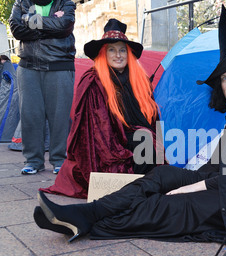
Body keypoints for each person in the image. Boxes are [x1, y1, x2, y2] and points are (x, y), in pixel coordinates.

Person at [33, 6, 226, 243]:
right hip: (218, 180)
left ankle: (88, 222)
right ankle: (89, 211)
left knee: (165, 204)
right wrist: (186, 178)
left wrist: (189, 188)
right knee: (162, 175)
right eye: (224, 78)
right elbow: (223, 165)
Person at [39, 19, 163, 199]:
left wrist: (158, 151)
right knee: (143, 140)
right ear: (103, 54)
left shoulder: (141, 81)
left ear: (128, 54)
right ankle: (132, 191)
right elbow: (94, 129)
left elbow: (154, 119)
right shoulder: (93, 80)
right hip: (105, 143)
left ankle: (144, 186)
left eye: (122, 50)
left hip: (138, 137)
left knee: (147, 141)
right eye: (111, 50)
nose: (118, 55)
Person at [9, 0, 76, 175]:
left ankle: (59, 160)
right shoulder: (21, 3)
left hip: (59, 65)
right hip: (28, 66)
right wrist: (50, 24)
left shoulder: (66, 3)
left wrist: (30, 21)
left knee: (59, 116)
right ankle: (33, 161)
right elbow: (16, 30)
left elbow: (65, 26)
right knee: (30, 115)